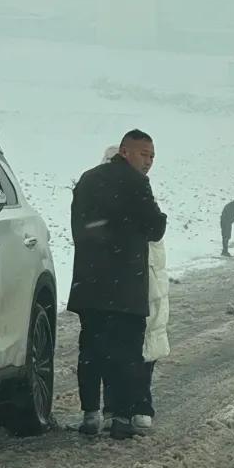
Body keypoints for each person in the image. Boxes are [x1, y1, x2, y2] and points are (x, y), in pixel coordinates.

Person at [68, 130, 167, 440]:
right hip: (126, 284)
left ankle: (90, 415)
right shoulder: (137, 183)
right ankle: (122, 418)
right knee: (126, 353)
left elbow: (78, 227)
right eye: (143, 154)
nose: (148, 162)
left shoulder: (86, 179)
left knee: (91, 350)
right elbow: (155, 227)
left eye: (152, 156)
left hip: (90, 282)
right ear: (125, 152)